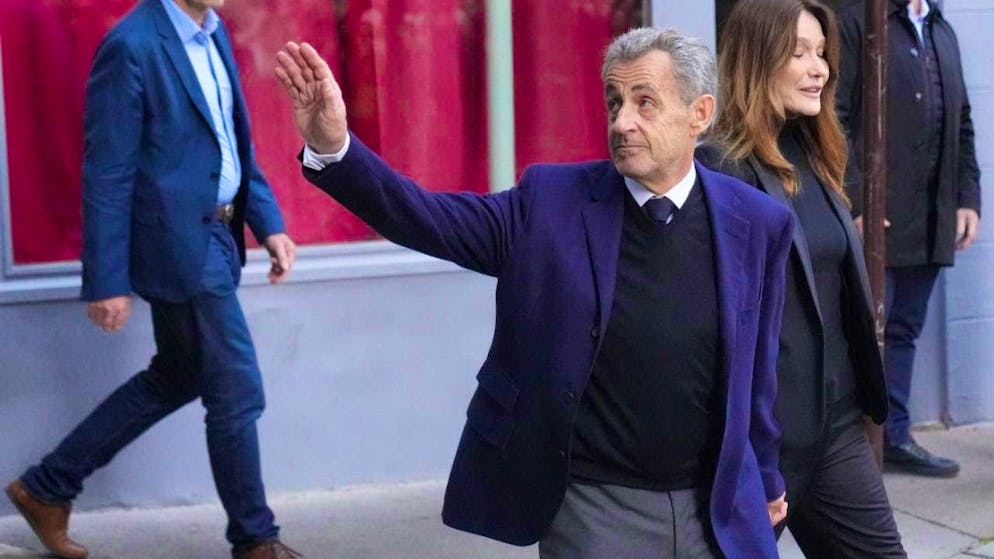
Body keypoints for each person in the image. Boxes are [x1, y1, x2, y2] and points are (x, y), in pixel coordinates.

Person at [276, 28, 793, 559]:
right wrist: (335, 149)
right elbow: (428, 219)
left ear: (699, 114)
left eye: (645, 103)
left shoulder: (756, 222)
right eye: (615, 102)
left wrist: (768, 474)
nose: (621, 122)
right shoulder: (551, 203)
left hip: (714, 508)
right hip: (594, 510)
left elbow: (758, 374)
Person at [3, 1, 301, 558]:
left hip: (217, 236)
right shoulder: (133, 46)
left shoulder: (213, 35)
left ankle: (46, 486)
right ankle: (257, 541)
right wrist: (106, 279)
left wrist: (268, 221)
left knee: (178, 375)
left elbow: (231, 144)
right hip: (179, 247)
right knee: (237, 391)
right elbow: (108, 170)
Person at [697, 0, 908, 556]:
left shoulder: (817, 155)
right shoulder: (719, 169)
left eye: (822, 54)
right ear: (757, 60)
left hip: (835, 432)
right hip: (759, 448)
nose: (820, 69)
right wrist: (745, 457)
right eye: (799, 54)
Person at [835, 0, 981, 478]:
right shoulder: (858, 21)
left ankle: (894, 435)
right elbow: (833, 119)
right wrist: (857, 203)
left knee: (903, 332)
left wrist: (967, 200)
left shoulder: (942, 29)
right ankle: (852, 451)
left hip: (930, 215)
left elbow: (961, 121)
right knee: (862, 333)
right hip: (876, 218)